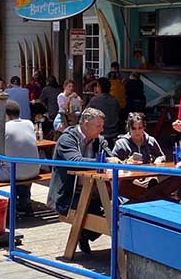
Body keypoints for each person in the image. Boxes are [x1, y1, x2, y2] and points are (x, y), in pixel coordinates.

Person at [47, 108, 117, 254]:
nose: (102, 129)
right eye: (98, 126)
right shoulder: (67, 139)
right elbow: (75, 161)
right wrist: (104, 161)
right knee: (109, 220)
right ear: (86, 124)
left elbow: (110, 158)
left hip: (94, 192)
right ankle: (83, 235)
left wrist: (119, 160)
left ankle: (83, 234)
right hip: (68, 195)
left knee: (118, 213)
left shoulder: (99, 140)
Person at [0, 100, 40, 215]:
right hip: (34, 171)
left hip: (13, 173)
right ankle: (24, 202)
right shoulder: (29, 123)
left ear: (5, 114)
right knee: (18, 165)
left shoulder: (3, 128)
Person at [88, 77, 121, 143]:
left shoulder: (95, 100)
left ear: (100, 87)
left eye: (97, 86)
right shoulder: (115, 101)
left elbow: (86, 115)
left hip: (100, 133)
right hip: (114, 132)